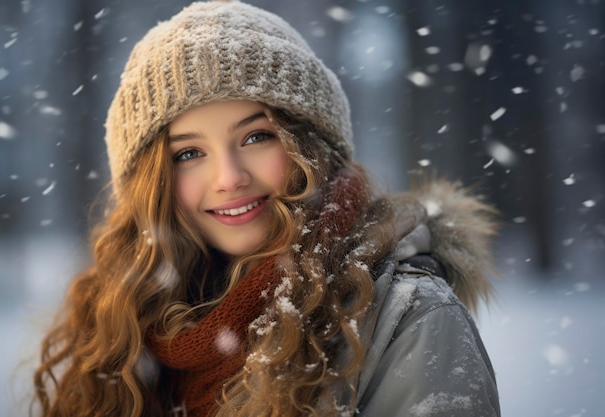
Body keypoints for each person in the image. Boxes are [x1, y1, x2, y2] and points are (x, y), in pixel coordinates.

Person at [32, 1, 501, 416]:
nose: (229, 177)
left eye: (257, 137)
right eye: (188, 154)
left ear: (311, 148)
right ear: (151, 185)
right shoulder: (117, 331)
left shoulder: (408, 319)